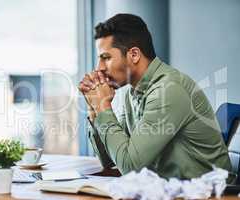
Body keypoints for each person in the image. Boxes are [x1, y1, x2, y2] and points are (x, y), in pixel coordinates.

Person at [78, 13, 233, 182]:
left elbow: (129, 167)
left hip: (214, 194)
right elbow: (111, 160)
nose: (98, 68)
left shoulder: (168, 90)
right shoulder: (132, 92)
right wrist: (94, 110)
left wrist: (103, 107)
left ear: (134, 54)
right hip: (172, 191)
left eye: (106, 58)